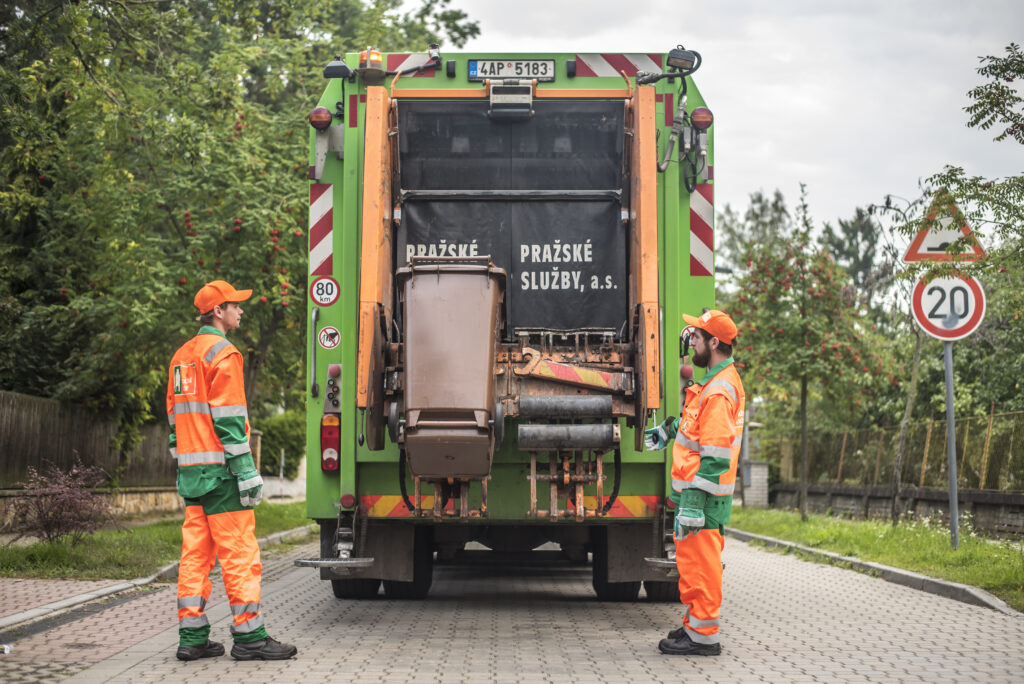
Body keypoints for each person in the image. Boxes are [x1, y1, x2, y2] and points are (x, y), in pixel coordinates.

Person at [167, 280, 297, 662]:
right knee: (239, 554)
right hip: (222, 476)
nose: (241, 311)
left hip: (191, 476)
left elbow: (175, 417)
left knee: (195, 556)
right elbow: (229, 419)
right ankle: (250, 636)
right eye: (235, 306)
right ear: (217, 312)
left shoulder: (182, 355)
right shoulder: (223, 354)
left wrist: (183, 461)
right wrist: (246, 469)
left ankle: (191, 639)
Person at [645, 309, 745, 656]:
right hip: (696, 495)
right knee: (692, 564)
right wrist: (668, 430)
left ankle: (703, 637)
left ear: (714, 342)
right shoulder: (714, 383)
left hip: (702, 499)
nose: (691, 344)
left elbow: (715, 453)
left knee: (701, 567)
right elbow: (696, 428)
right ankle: (694, 625)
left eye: (697, 338)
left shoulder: (719, 391)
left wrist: (695, 499)